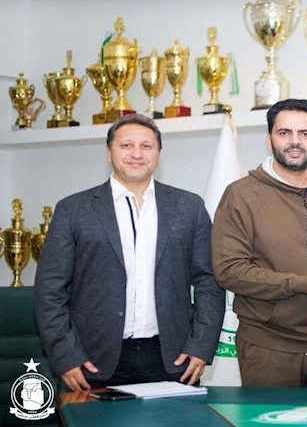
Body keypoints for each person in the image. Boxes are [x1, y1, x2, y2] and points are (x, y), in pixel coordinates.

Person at [34, 114, 225, 392]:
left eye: (146, 146)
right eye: (126, 145)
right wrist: (66, 356)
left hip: (173, 359)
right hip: (92, 361)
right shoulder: (73, 210)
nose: (137, 154)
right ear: (108, 152)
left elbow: (209, 281)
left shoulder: (189, 207)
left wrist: (201, 346)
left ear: (158, 154)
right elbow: (50, 290)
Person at [211, 98, 307, 388]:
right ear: (269, 139)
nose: (295, 142)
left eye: (305, 134)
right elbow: (229, 270)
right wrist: (304, 283)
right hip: (269, 348)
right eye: (285, 133)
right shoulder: (240, 195)